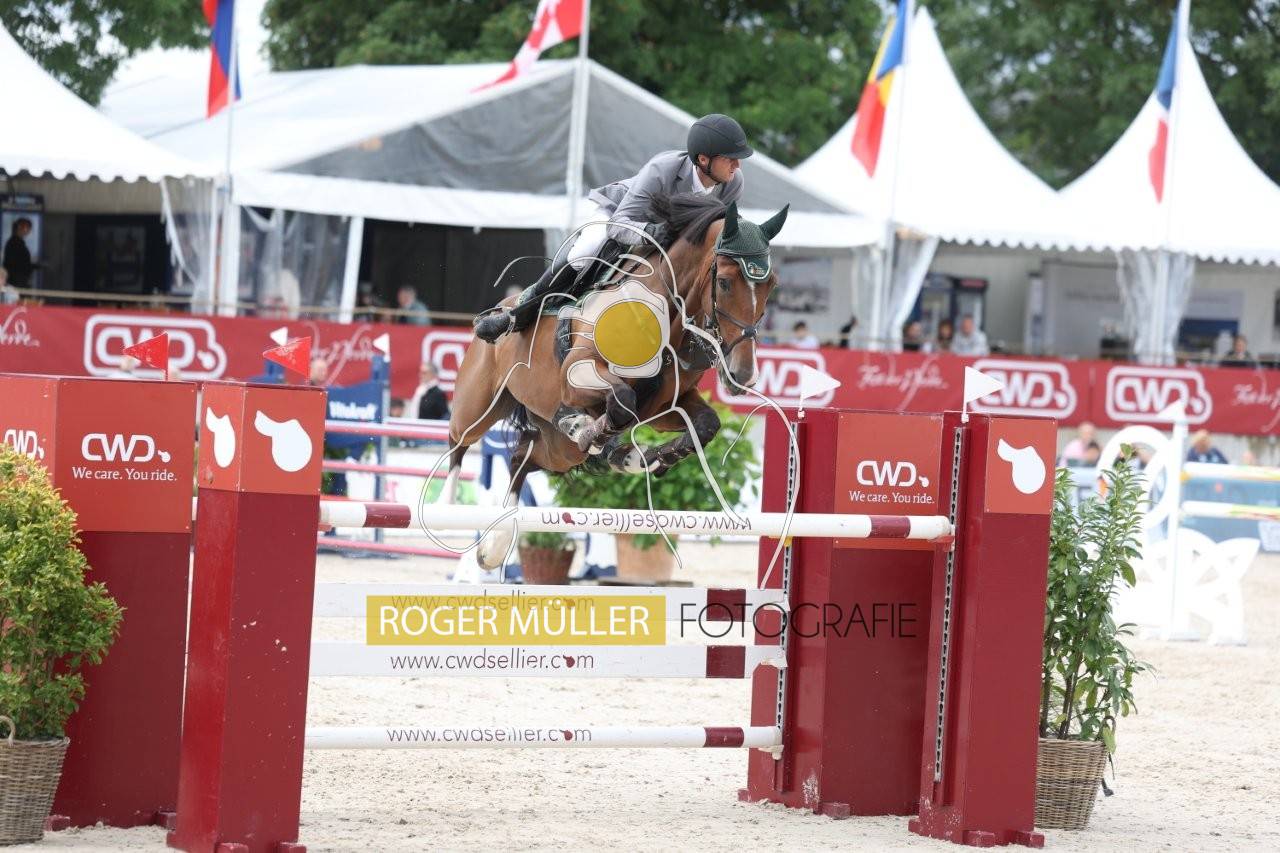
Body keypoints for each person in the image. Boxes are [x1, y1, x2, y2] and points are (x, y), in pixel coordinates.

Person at [473, 113, 752, 343]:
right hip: (622, 216)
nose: (737, 165)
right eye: (730, 158)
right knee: (583, 251)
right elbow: (618, 226)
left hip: (672, 238)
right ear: (703, 159)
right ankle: (517, 315)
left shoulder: (733, 183)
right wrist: (652, 232)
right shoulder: (662, 170)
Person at [3, 218, 36, 287]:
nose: (29, 231)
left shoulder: (18, 242)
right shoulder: (14, 243)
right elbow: (19, 264)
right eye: (28, 228)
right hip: (16, 281)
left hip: (18, 280)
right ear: (20, 228)